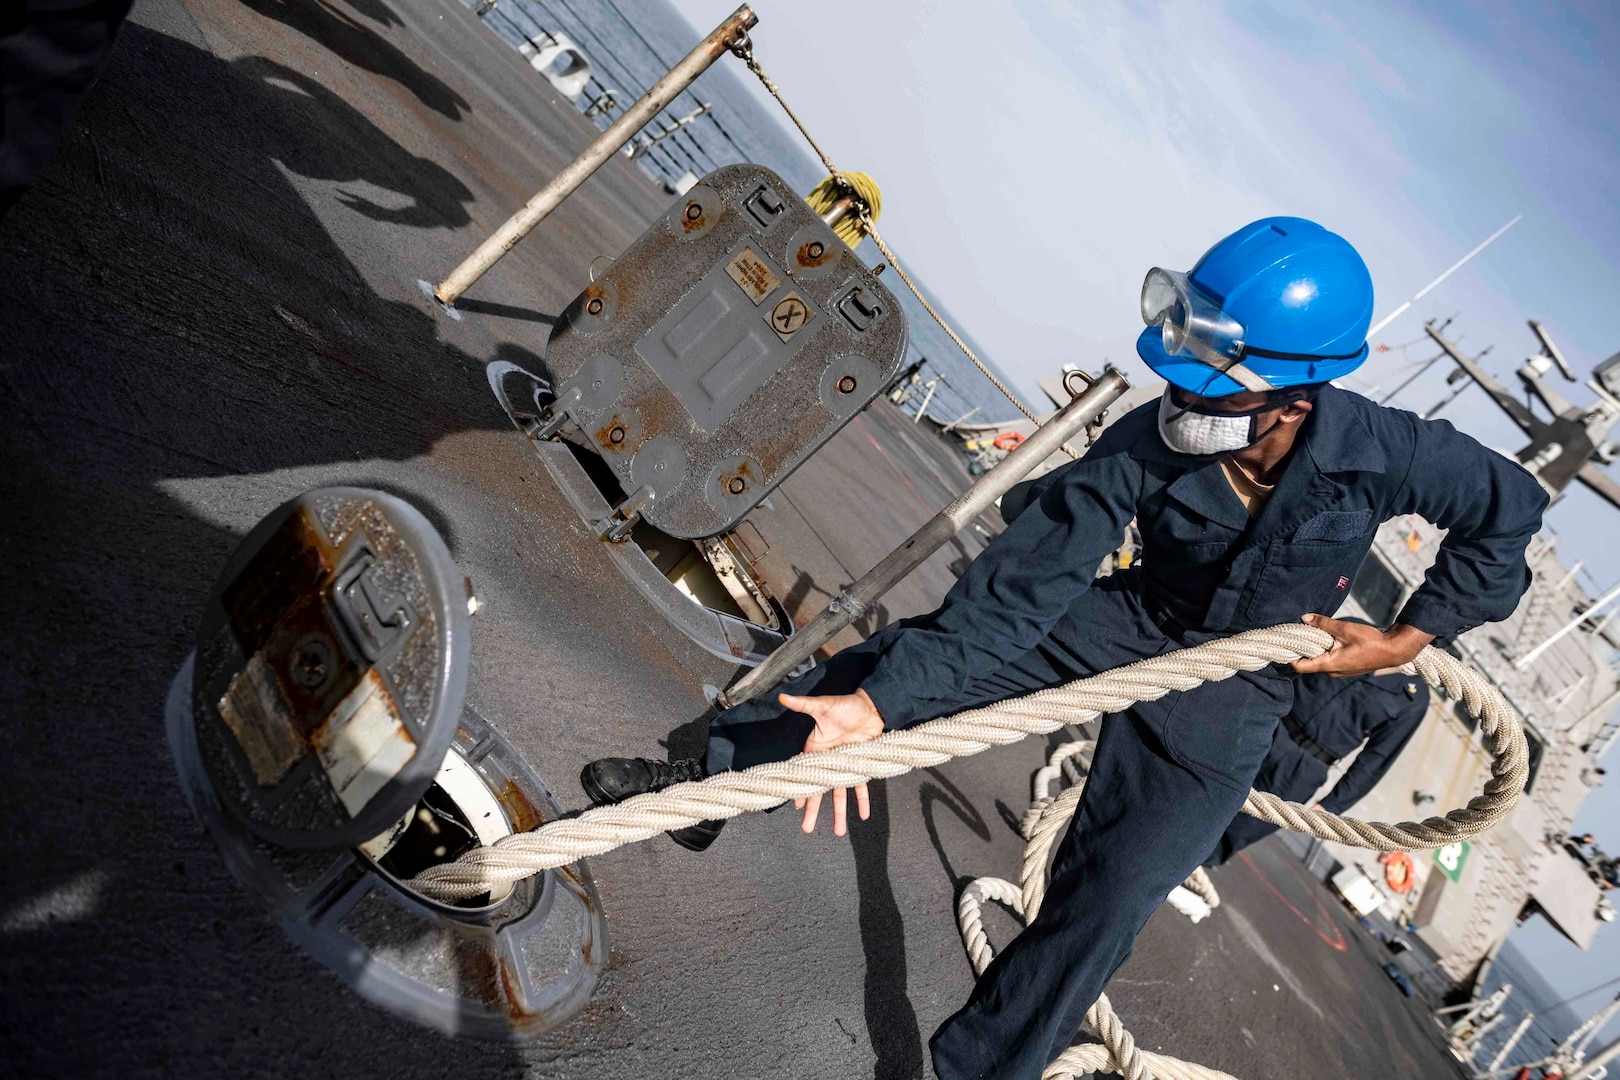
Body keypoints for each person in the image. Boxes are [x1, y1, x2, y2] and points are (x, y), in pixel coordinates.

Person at [581, 217, 1548, 1080]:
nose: (1182, 388)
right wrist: (880, 709)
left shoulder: (1393, 451)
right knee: (893, 668)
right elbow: (1021, 591)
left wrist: (1404, 640)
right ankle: (699, 781)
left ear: (1296, 395)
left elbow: (1509, 512)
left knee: (1110, 902)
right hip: (1132, 622)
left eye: (1217, 373)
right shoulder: (1147, 437)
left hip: (1243, 686)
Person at [1204, 654, 1430, 867]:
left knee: (1239, 830)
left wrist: (1331, 806)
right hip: (1268, 724)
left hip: (1301, 771)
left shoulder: (1414, 697)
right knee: (1198, 789)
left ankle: (1186, 877)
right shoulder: (1354, 630)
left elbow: (1374, 762)